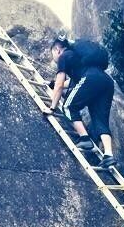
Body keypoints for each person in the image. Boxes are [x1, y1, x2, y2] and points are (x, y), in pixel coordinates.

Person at [43, 36, 116, 169]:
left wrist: (52, 108)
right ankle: (108, 155)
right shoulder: (78, 57)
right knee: (100, 120)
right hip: (106, 82)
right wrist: (52, 84)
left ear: (57, 49)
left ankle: (85, 139)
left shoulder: (64, 57)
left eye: (53, 52)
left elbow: (60, 84)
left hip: (91, 79)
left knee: (68, 107)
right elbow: (70, 82)